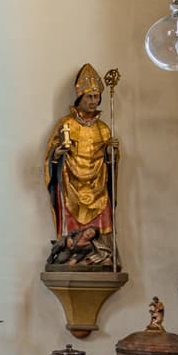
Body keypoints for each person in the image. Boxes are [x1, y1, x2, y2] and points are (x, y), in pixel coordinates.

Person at [44, 63, 120, 266]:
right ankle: (72, 252)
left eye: (96, 97)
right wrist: (58, 153)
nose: (93, 101)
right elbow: (52, 156)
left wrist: (112, 153)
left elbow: (110, 166)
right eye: (89, 97)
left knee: (103, 209)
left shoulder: (104, 129)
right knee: (71, 214)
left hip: (98, 186)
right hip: (71, 185)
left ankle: (102, 254)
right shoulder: (66, 124)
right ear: (80, 98)